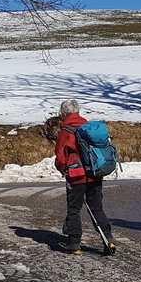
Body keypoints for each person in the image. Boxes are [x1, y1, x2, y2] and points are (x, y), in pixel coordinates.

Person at [54, 99, 114, 254]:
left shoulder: (65, 131)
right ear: (78, 111)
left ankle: (74, 244)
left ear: (63, 113)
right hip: (95, 173)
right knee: (96, 207)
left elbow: (61, 157)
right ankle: (108, 238)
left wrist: (62, 168)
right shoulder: (89, 127)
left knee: (74, 209)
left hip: (76, 175)